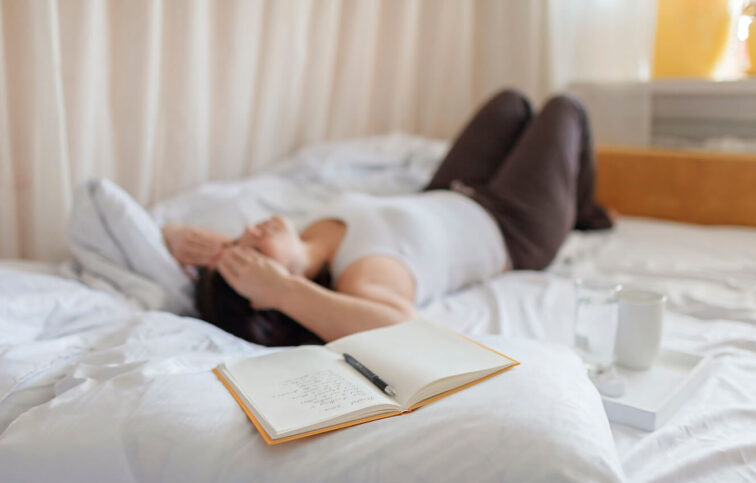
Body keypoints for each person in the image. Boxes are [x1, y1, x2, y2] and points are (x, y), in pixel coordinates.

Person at [163, 90, 613, 346]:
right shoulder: (362, 279)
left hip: (449, 191)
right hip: (515, 226)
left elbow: (164, 230)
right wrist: (282, 291)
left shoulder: (305, 236)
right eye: (251, 252)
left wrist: (181, 235)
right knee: (564, 108)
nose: (247, 231)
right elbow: (403, 329)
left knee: (512, 104)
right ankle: (583, 212)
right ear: (271, 288)